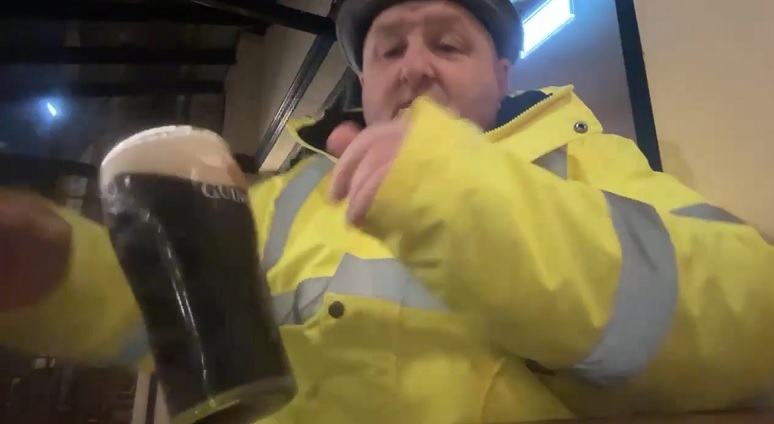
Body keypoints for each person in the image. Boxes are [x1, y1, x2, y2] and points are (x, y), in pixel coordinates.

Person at [2, 0, 774, 422]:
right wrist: (58, 274)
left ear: (504, 74)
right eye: (389, 50)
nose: (415, 69)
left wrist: (457, 193)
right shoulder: (283, 197)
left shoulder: (585, 160)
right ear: (364, 81)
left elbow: (753, 318)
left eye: (449, 45)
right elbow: (176, 322)